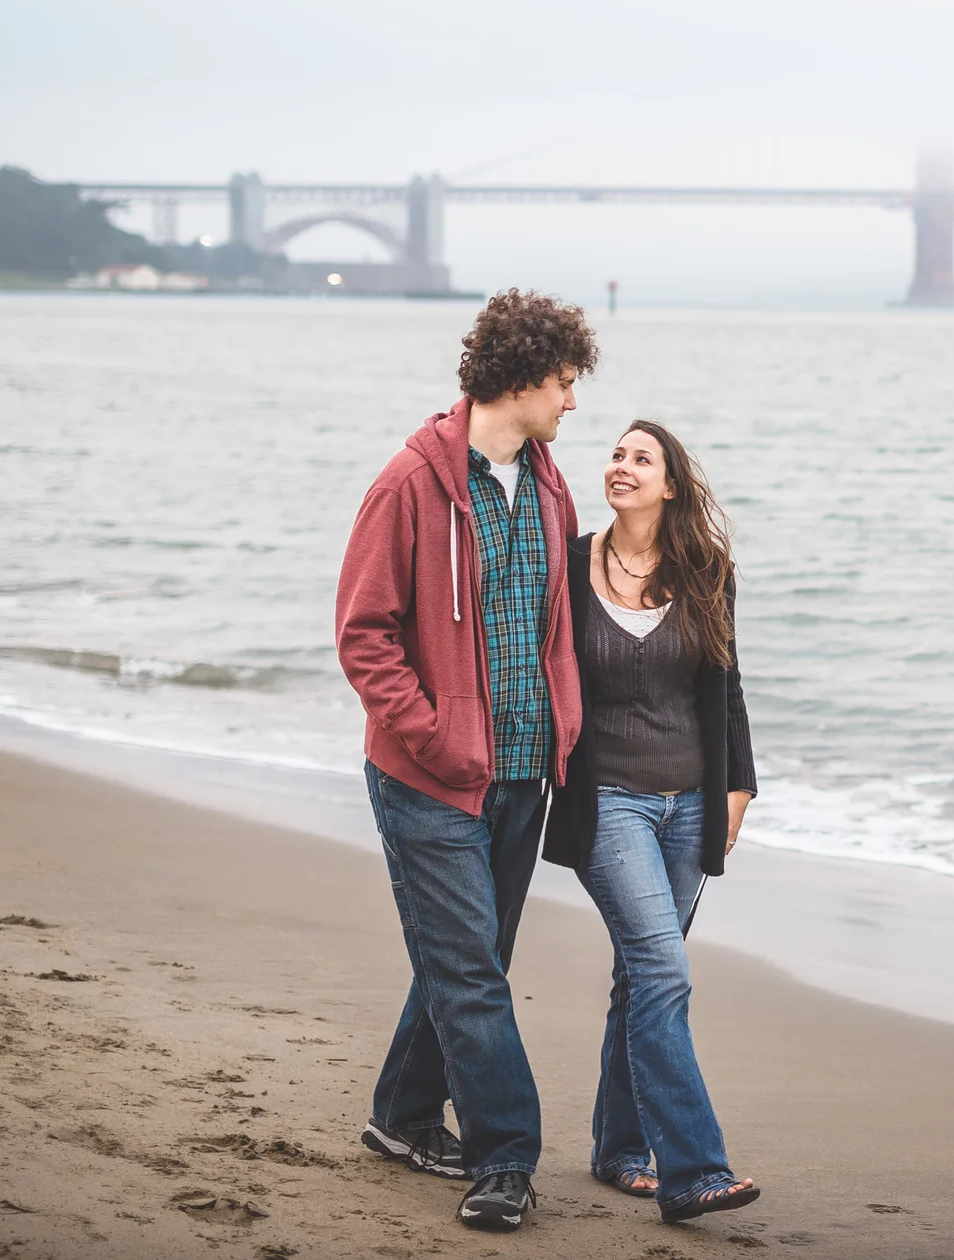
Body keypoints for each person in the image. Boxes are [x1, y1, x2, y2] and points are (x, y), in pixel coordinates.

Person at [335, 289, 598, 1234]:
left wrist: (565, 728)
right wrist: (435, 736)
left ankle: (402, 1115)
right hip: (428, 779)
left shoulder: (552, 483)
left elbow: (552, 625)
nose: (574, 402)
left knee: (470, 961)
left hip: (525, 773)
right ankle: (507, 1157)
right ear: (524, 378)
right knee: (474, 976)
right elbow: (364, 636)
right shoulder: (409, 485)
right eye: (566, 383)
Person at [543, 420, 760, 1224]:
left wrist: (739, 786)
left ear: (670, 484)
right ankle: (695, 1169)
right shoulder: (569, 563)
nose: (621, 466)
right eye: (616, 454)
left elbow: (727, 686)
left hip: (693, 804)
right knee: (665, 972)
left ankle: (617, 1149)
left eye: (642, 458)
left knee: (640, 976)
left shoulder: (708, 569)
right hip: (611, 805)